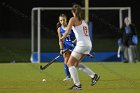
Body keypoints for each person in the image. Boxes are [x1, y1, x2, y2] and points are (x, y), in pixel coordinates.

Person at [60, 4, 100, 90]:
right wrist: (73, 42)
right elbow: (81, 36)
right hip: (88, 44)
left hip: (82, 45)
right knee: (75, 64)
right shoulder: (84, 21)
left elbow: (67, 32)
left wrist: (62, 38)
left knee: (69, 64)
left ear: (73, 12)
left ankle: (77, 85)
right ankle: (94, 76)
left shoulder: (72, 19)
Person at [57, 14, 76, 81]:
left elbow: (78, 36)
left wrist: (74, 41)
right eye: (61, 20)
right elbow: (60, 40)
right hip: (66, 46)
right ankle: (68, 77)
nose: (62, 21)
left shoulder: (71, 26)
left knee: (74, 63)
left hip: (74, 46)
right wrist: (61, 49)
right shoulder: (59, 29)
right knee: (66, 60)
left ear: (66, 20)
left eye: (64, 20)